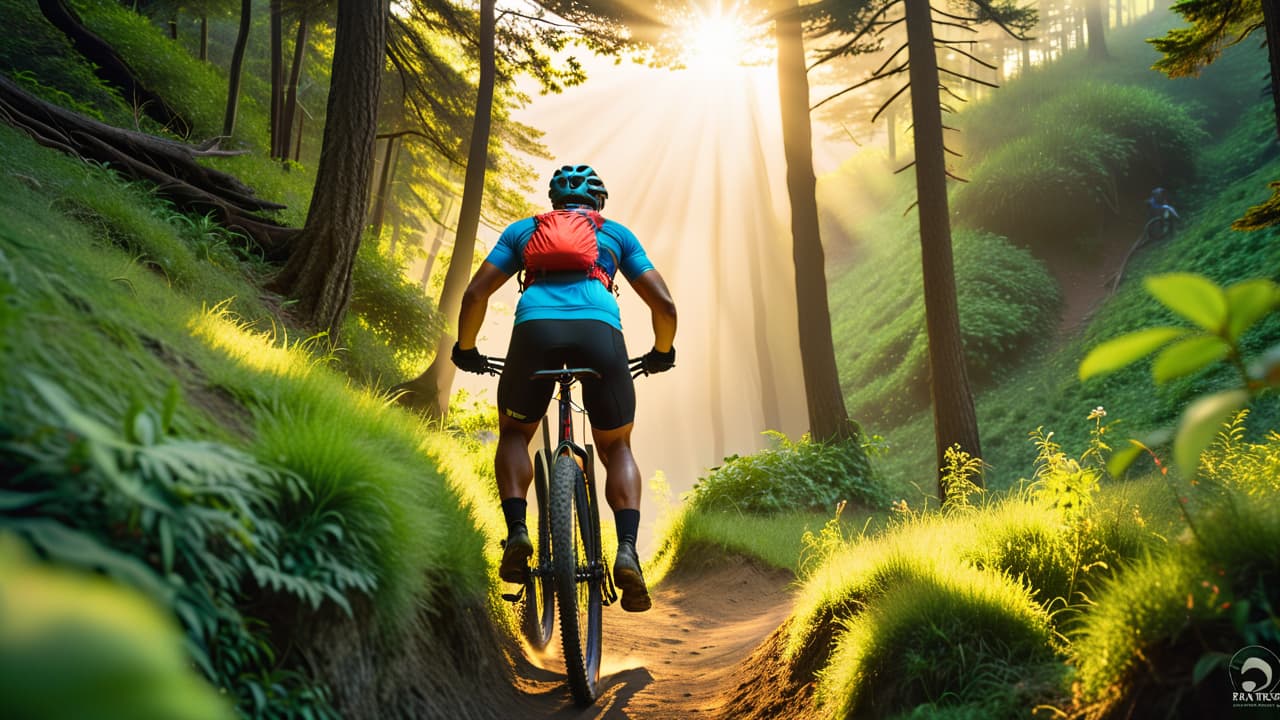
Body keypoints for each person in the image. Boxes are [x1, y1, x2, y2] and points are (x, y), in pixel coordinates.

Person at [450, 164, 678, 613]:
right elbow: (664, 304)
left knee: (515, 433)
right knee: (616, 448)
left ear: (554, 203)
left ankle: (517, 532)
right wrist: (661, 352)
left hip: (534, 333)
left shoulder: (522, 232)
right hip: (600, 333)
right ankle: (627, 550)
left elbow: (476, 295)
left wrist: (466, 349)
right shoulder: (616, 235)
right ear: (598, 202)